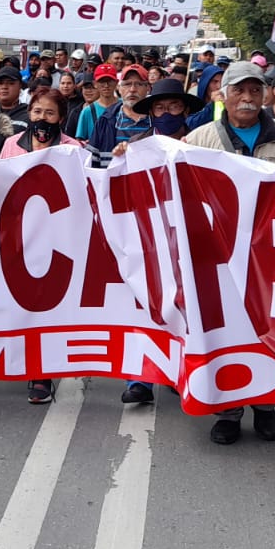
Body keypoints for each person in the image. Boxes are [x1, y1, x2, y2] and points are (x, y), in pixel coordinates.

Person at [182, 62, 275, 445]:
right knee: (226, 331)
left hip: (271, 254)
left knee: (269, 329)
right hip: (217, 257)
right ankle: (229, 410)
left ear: (266, 95)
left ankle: (267, 404)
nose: (248, 99)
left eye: (255, 91)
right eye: (239, 90)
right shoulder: (199, 139)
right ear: (224, 95)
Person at [118, 77, 202, 409]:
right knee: (143, 304)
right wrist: (120, 159)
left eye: (174, 107)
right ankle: (139, 379)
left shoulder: (199, 145)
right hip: (148, 240)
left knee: (187, 309)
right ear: (151, 113)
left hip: (190, 240)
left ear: (184, 111)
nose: (167, 113)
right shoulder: (135, 147)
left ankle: (181, 371)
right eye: (160, 108)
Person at [0, 86, 84, 405]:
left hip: (55, 239)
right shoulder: (10, 145)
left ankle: (41, 372)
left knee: (45, 305)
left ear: (61, 117)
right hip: (18, 236)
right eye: (37, 112)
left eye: (49, 113)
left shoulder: (73, 148)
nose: (42, 118)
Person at [89, 64, 153, 167]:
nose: (132, 89)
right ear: (119, 88)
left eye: (139, 84)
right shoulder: (105, 120)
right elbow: (91, 161)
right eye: (127, 84)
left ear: (148, 88)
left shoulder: (157, 120)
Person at [74, 64, 119, 143]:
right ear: (95, 84)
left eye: (110, 81)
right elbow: (80, 141)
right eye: (102, 81)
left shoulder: (124, 107)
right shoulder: (87, 111)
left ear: (116, 83)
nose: (106, 85)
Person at [0, 66, 30, 133]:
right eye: (0, 83)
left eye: (10, 83)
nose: (4, 87)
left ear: (20, 86)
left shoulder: (29, 115)